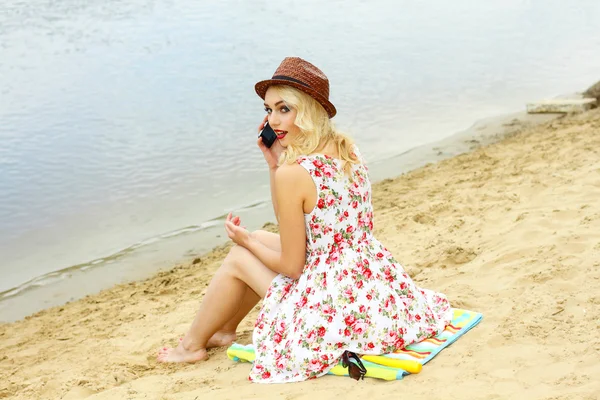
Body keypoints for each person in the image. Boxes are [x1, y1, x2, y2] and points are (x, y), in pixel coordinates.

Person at [158, 57, 452, 383]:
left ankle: (190, 346)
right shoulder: (347, 149)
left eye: (284, 109)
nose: (273, 121)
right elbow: (310, 230)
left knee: (241, 254)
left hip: (331, 306)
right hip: (370, 281)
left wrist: (248, 242)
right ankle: (225, 329)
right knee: (257, 238)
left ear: (309, 110)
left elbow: (292, 266)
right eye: (268, 110)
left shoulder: (294, 174)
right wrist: (274, 166)